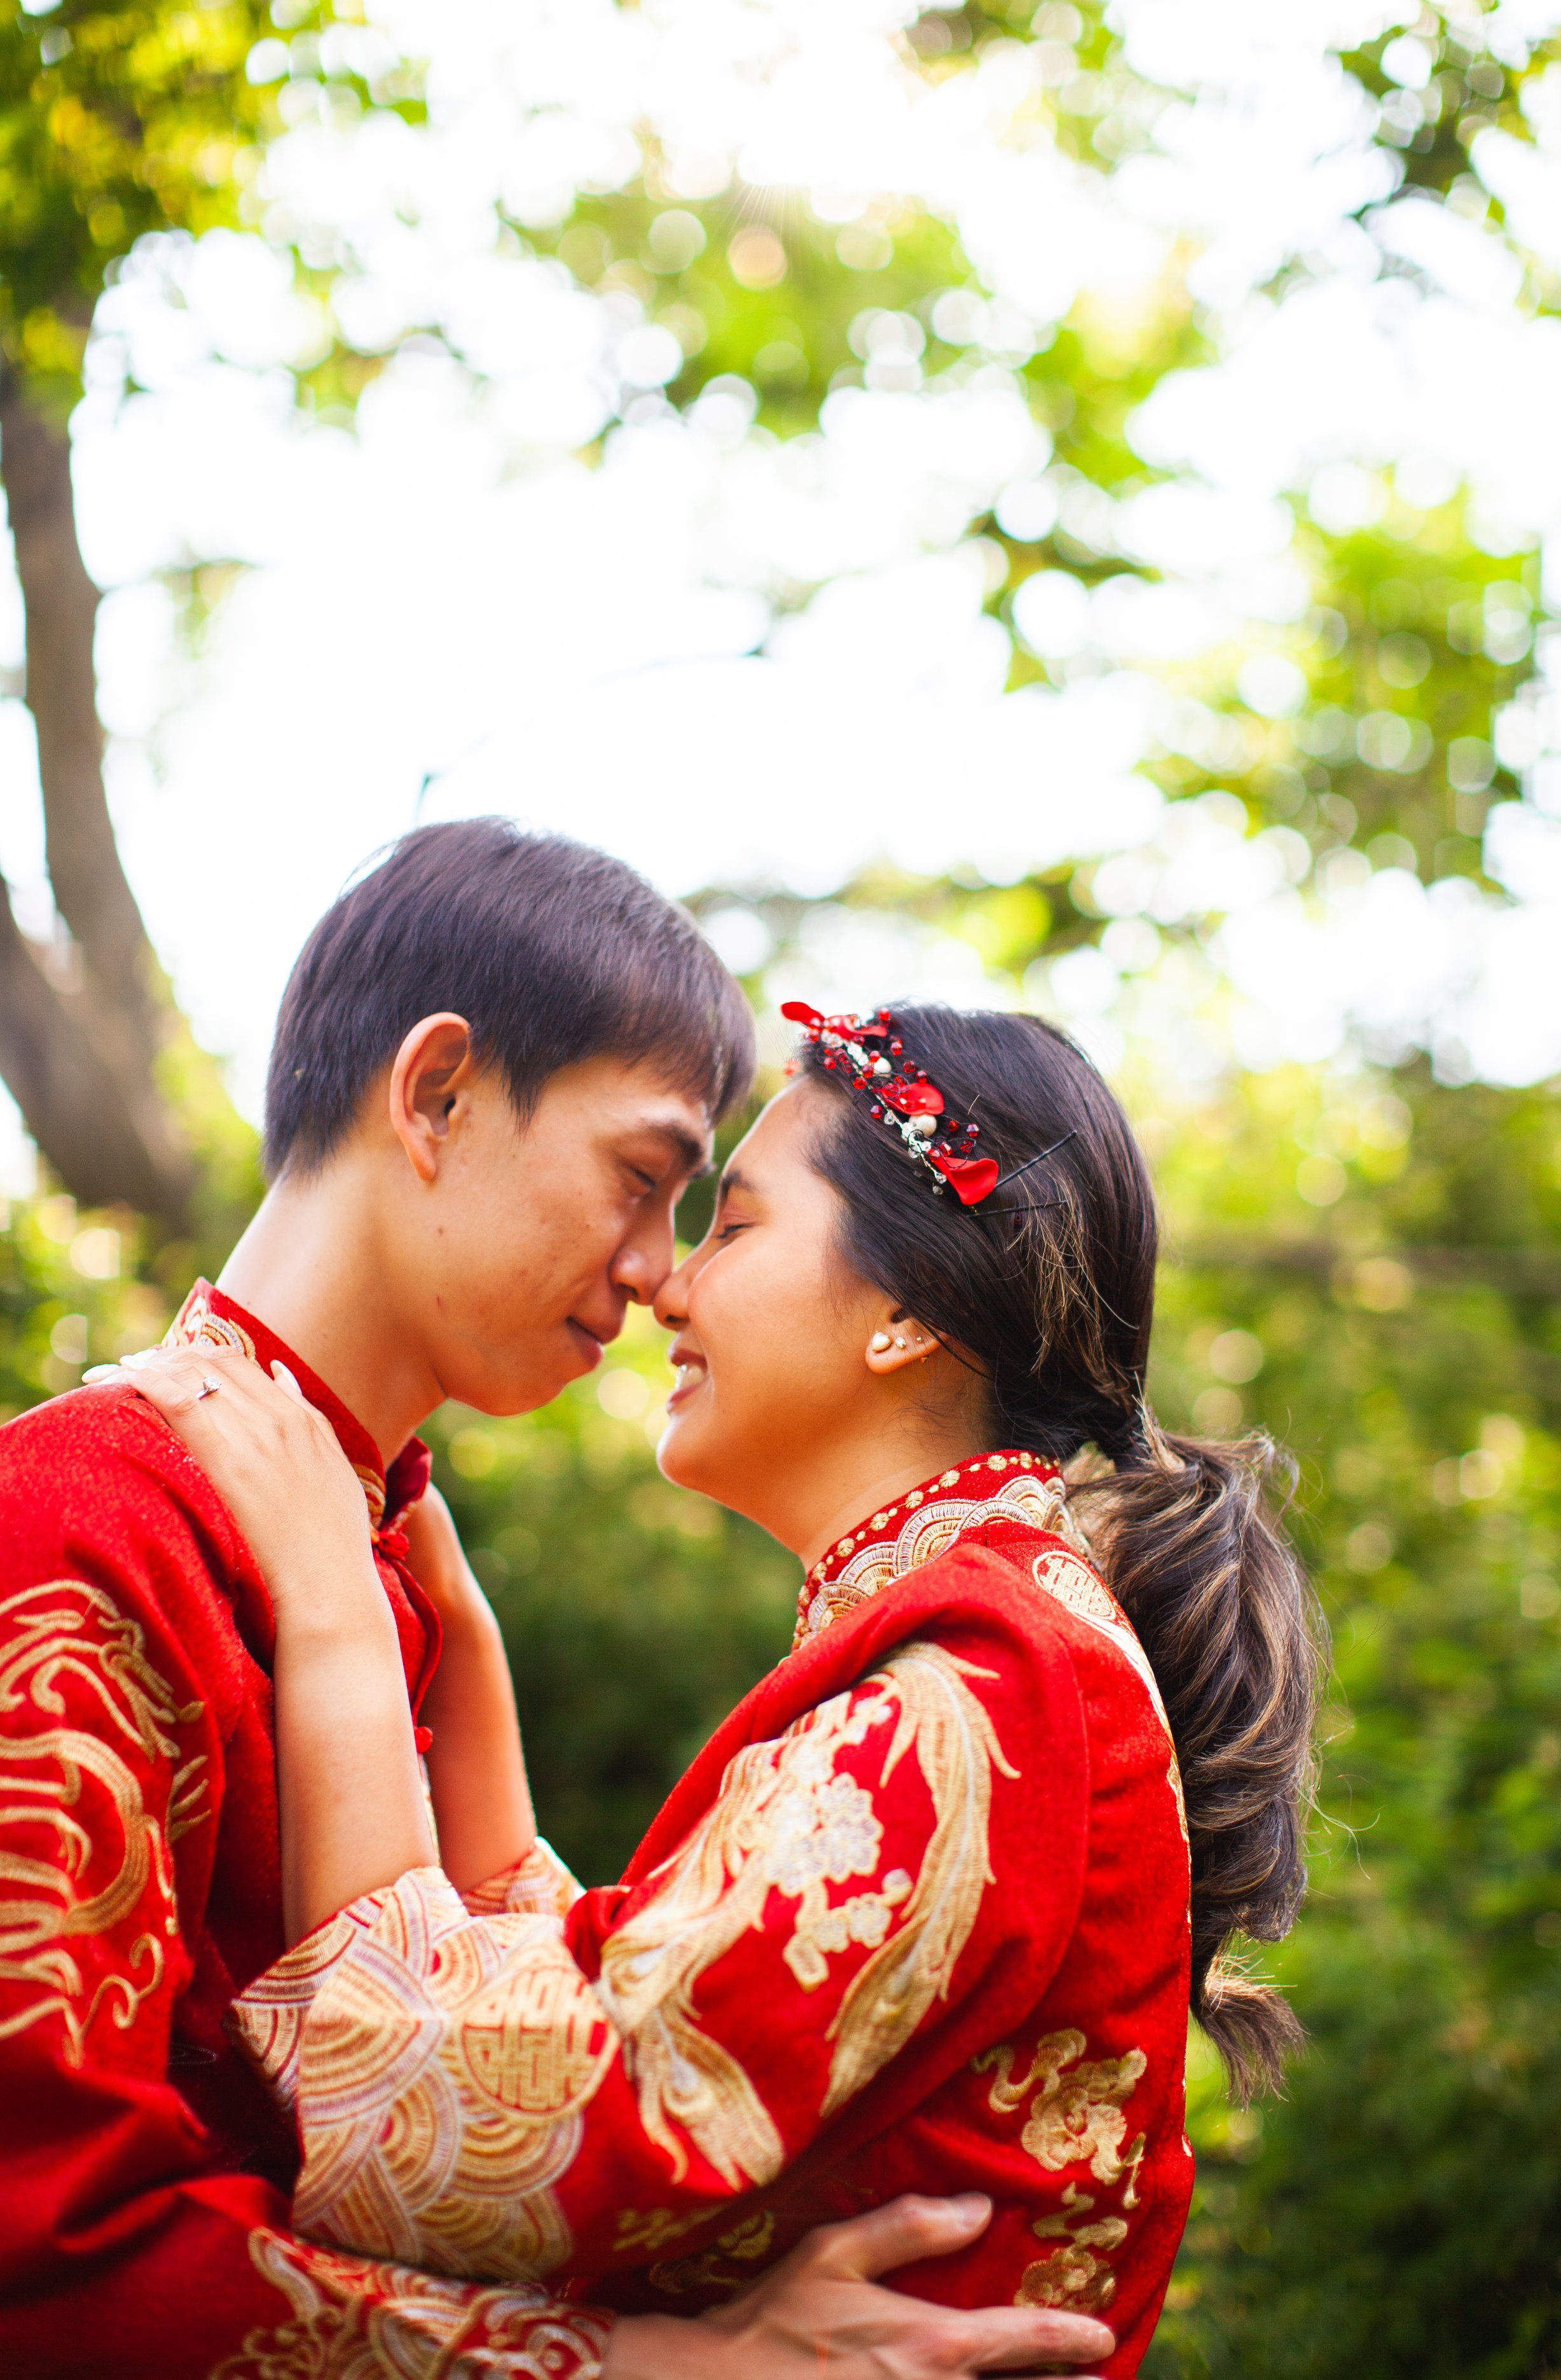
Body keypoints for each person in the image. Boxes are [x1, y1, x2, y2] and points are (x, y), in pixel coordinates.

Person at [0, 823, 1115, 2380]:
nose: (660, 1273)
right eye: (648, 1180)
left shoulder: (389, 1580)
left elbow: (521, 2067)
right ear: (437, 1094)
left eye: (710, 1216)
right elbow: (47, 2261)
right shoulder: (78, 1515)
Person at [115, 992, 1322, 2379]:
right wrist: (465, 1653)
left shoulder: (983, 1690)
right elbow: (657, 2026)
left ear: (905, 1313)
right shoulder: (1006, 1648)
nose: (666, 1286)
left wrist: (335, 1622)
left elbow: (453, 2126)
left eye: (732, 1226)